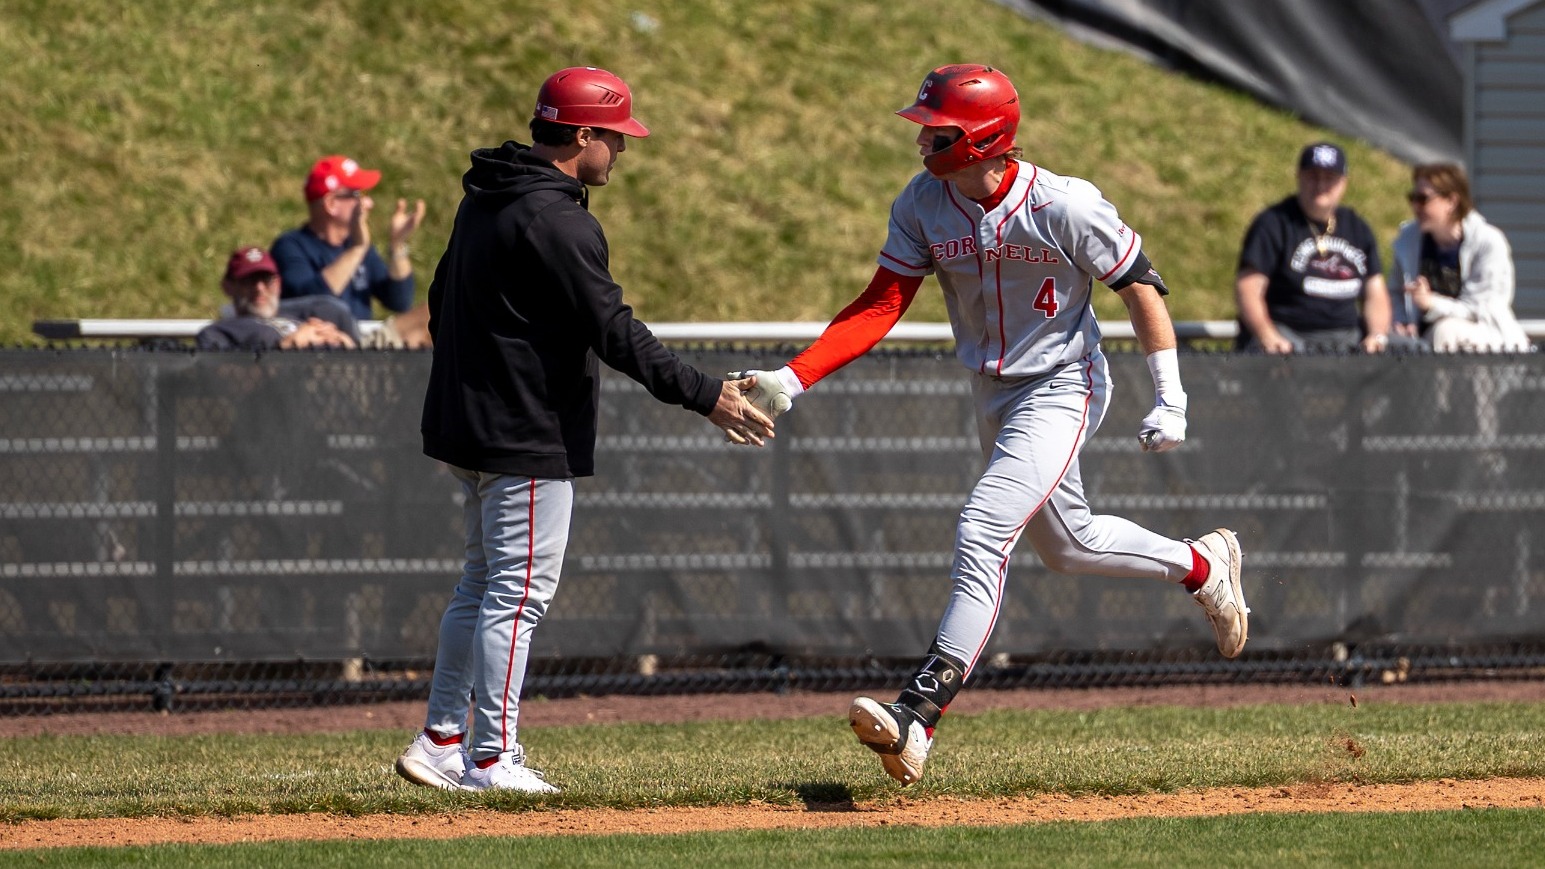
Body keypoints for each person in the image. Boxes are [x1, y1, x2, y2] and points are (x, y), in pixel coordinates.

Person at [732, 64, 1247, 787]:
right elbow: (880, 303)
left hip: (1064, 381)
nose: (922, 141)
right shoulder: (922, 202)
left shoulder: (1065, 204)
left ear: (981, 139)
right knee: (1068, 544)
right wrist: (792, 377)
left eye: (936, 130)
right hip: (994, 390)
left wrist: (1171, 395)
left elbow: (1139, 286)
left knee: (982, 527)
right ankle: (1202, 564)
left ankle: (917, 713)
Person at [393, 66, 775, 794]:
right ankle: (489, 756)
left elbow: (442, 303)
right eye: (617, 139)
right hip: (523, 432)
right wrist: (706, 395)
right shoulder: (560, 219)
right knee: (516, 594)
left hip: (469, 425)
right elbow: (614, 330)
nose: (623, 153)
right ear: (582, 134)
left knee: (479, 585)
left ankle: (442, 737)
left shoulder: (487, 198)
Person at [1234, 142, 1393, 354]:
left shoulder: (1357, 227)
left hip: (1347, 337)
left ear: (1343, 183)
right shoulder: (1274, 223)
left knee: (1413, 351)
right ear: (1299, 177)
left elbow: (1375, 293)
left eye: (1329, 178)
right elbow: (1248, 288)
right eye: (1313, 176)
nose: (1320, 185)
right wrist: (1268, 335)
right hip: (1289, 334)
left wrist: (1377, 335)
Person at [270, 154, 427, 326]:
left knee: (429, 314)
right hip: (316, 345)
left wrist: (397, 244)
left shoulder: (356, 245)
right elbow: (313, 303)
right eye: (358, 194)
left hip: (360, 343)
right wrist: (357, 250)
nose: (369, 203)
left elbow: (399, 301)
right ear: (331, 204)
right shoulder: (290, 247)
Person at [1390, 163, 1530, 353]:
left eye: (1423, 199)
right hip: (1423, 340)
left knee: (1445, 331)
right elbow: (1395, 293)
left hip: (1485, 339)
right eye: (1412, 198)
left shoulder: (1488, 242)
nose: (1415, 206)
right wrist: (1401, 322)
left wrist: (1431, 303)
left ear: (1451, 202)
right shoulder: (1408, 240)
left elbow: (1478, 309)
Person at [196, 246, 360, 350]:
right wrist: (288, 347)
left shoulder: (302, 318)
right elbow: (225, 382)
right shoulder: (220, 332)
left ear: (279, 284)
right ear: (228, 287)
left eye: (267, 280)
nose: (260, 288)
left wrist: (343, 342)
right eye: (249, 281)